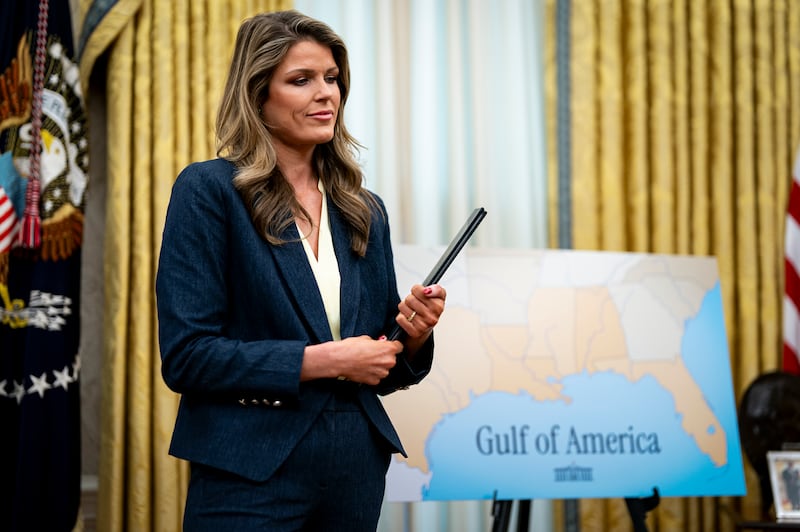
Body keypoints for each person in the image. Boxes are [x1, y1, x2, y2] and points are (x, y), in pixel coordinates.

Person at [155, 10, 447, 532]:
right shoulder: (208, 192)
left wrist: (414, 335)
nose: (326, 94)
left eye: (332, 79)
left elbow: (381, 362)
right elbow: (188, 357)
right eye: (301, 80)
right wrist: (326, 359)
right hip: (249, 468)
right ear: (257, 95)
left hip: (355, 468)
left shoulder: (364, 208)